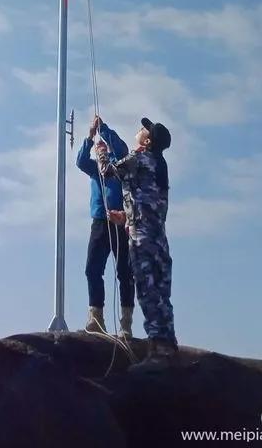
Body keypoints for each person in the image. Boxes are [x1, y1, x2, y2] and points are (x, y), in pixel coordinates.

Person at [100, 118, 176, 356]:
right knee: (162, 296)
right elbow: (150, 204)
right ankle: (167, 344)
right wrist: (125, 216)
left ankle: (159, 351)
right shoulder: (159, 166)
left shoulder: (139, 159)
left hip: (142, 240)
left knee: (147, 292)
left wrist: (101, 151)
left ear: (148, 140)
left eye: (145, 129)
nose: (140, 129)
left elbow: (107, 172)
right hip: (159, 241)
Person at [76, 115, 135, 338]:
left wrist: (104, 130)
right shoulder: (94, 169)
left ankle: (126, 322)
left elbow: (121, 149)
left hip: (120, 222)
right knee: (92, 268)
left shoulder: (120, 164)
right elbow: (80, 160)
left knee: (124, 272)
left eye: (102, 146)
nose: (100, 149)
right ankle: (96, 317)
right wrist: (90, 136)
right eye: (97, 148)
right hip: (100, 222)